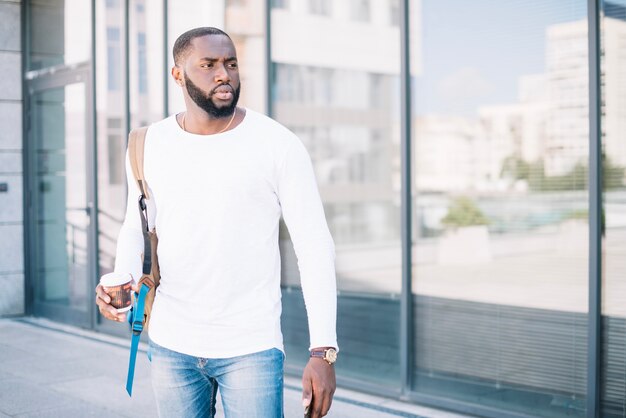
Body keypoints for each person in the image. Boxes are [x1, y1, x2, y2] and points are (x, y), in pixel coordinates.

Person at [95, 27, 338, 418]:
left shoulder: (277, 144)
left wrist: (323, 350)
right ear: (178, 75)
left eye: (230, 64)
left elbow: (314, 246)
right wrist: (121, 279)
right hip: (171, 341)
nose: (223, 74)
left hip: (251, 346)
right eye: (208, 65)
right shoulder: (147, 143)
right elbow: (135, 223)